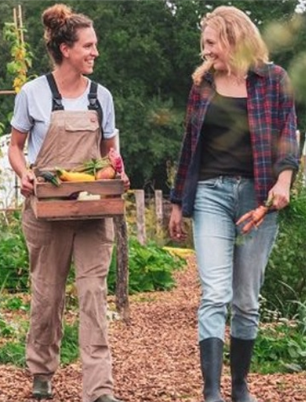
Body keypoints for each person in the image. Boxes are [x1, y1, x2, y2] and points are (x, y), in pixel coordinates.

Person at [168, 6, 299, 402]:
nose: (206, 51)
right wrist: (178, 202)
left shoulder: (273, 80)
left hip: (258, 198)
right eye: (204, 44)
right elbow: (190, 145)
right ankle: (212, 392)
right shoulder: (203, 84)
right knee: (214, 293)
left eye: (212, 43)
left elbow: (288, 133)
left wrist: (284, 181)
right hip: (211, 193)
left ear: (234, 38)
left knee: (245, 300)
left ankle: (240, 387)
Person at [8, 4, 127, 402]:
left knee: (93, 296)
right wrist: (23, 174)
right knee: (47, 296)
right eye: (88, 46)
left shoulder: (101, 97)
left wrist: (118, 172)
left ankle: (100, 389)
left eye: (95, 45)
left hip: (93, 210)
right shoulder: (33, 93)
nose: (95, 52)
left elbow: (111, 153)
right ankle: (42, 373)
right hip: (47, 208)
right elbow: (16, 147)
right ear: (65, 49)